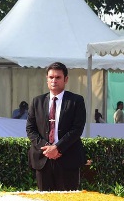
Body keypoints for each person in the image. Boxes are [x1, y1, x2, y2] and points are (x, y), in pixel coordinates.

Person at [25, 61, 86, 191]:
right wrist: (48, 149)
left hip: (68, 159)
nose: (54, 80)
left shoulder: (76, 101)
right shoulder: (37, 101)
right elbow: (31, 129)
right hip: (43, 160)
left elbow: (77, 129)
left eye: (58, 77)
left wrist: (58, 148)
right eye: (51, 77)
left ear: (66, 79)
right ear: (47, 79)